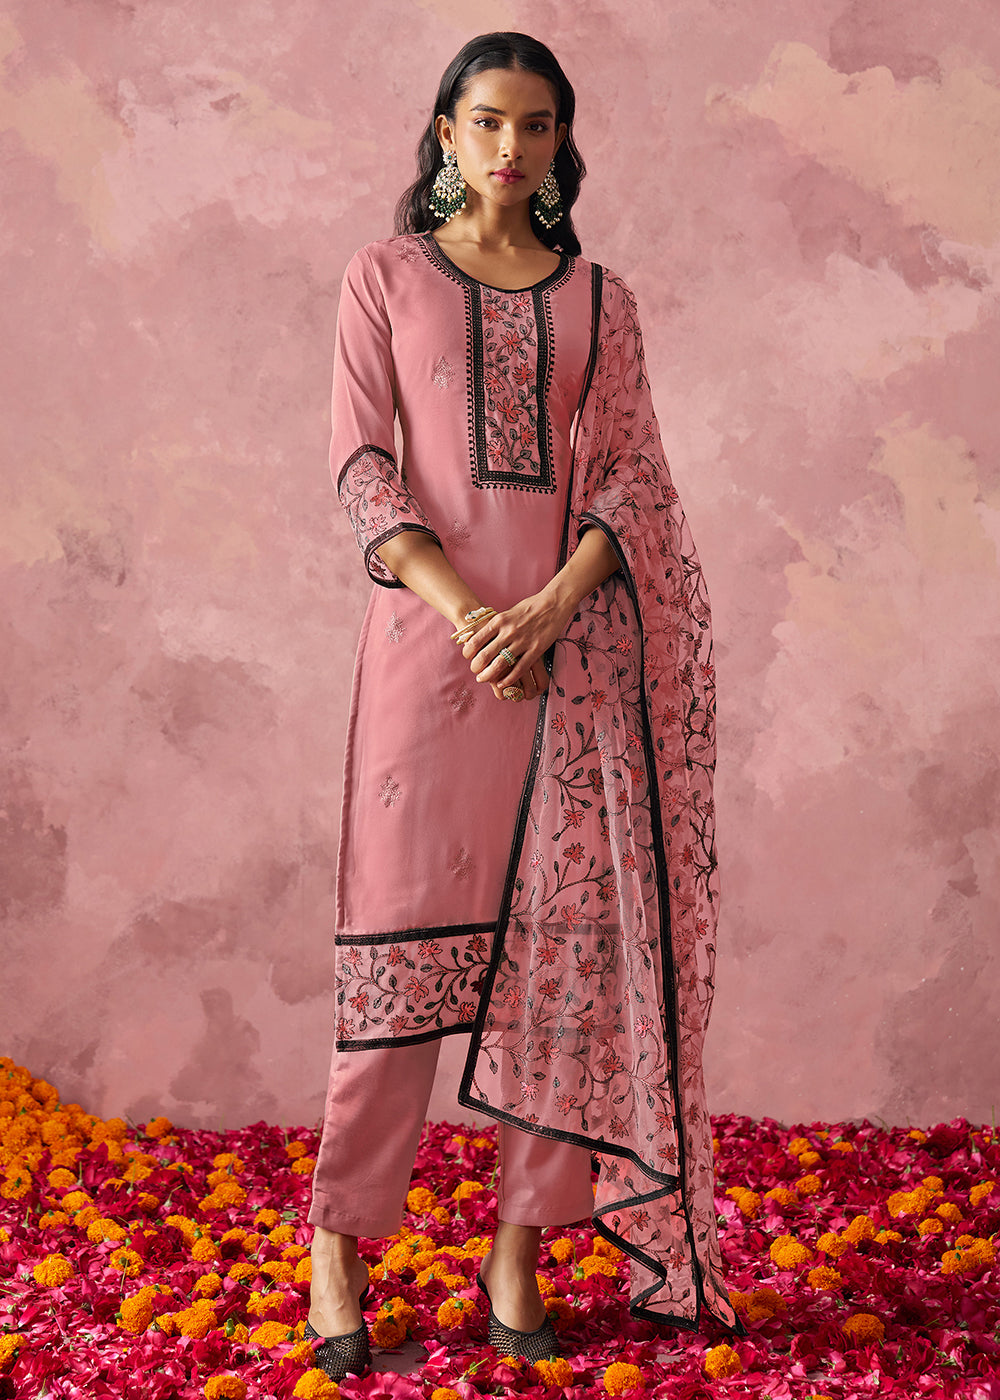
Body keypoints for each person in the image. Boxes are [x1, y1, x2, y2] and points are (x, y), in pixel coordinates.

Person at [306, 31, 742, 1381]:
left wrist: (547, 614)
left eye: (536, 125)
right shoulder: (383, 278)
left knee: (559, 969)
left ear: (561, 144)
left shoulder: (602, 302)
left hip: (568, 669)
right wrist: (471, 617)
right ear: (446, 131)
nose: (511, 147)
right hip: (427, 659)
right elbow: (363, 468)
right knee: (391, 965)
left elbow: (635, 484)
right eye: (487, 121)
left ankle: (517, 1251)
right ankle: (339, 1247)